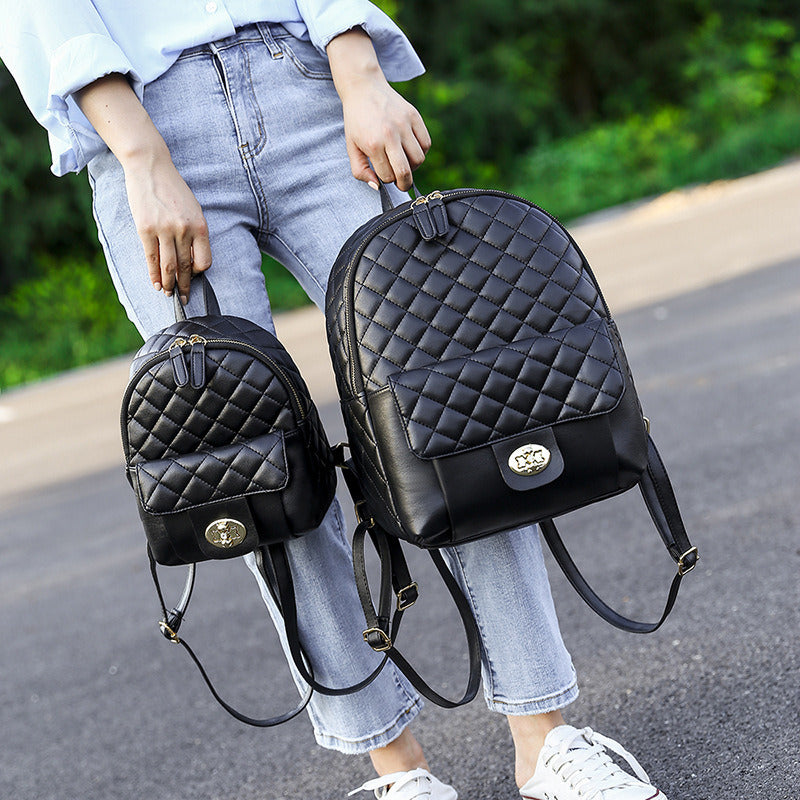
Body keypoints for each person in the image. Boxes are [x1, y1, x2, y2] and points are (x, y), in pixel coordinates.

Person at [0, 3, 671, 799]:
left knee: (450, 411)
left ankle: (545, 740)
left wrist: (359, 72)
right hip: (145, 114)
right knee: (246, 458)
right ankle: (397, 770)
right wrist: (139, 153)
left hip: (304, 81)